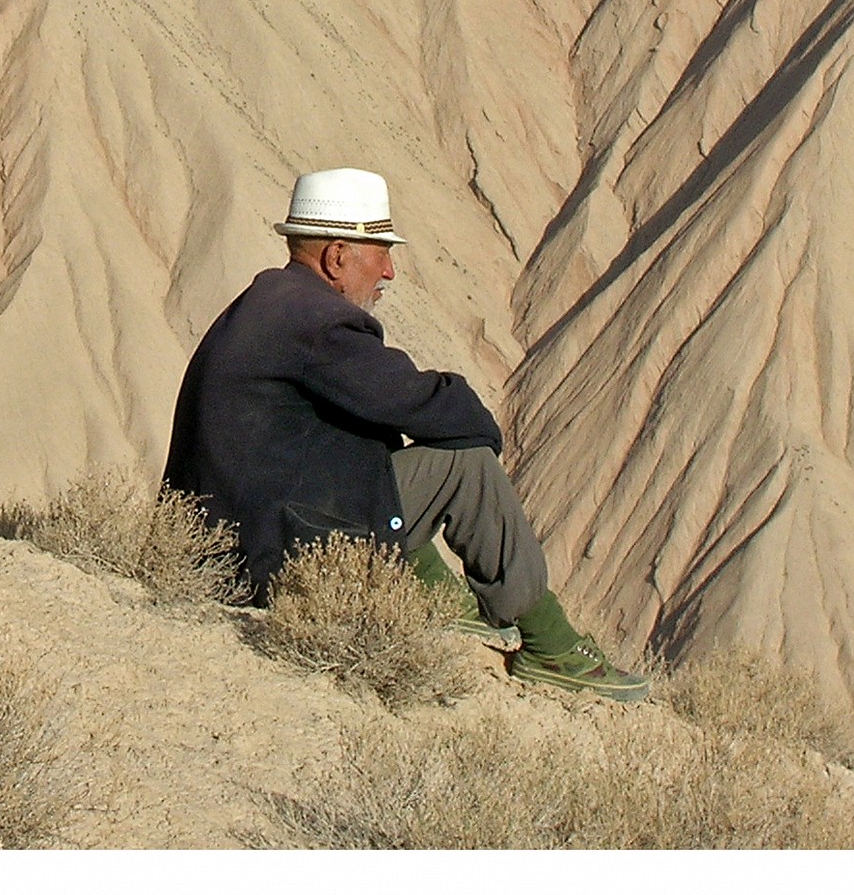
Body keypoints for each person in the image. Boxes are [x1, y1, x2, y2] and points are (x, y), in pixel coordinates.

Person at [162, 167, 648, 699]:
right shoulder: (320, 324)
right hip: (273, 561)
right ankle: (551, 646)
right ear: (337, 258)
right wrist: (478, 427)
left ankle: (440, 599)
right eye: (381, 252)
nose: (389, 272)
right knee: (465, 466)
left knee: (370, 437)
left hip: (226, 545)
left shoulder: (268, 302)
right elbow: (422, 405)